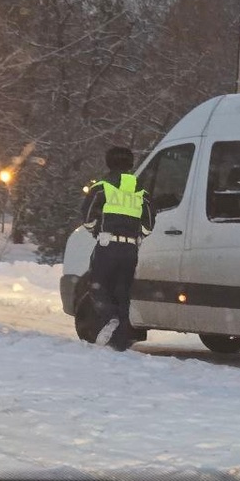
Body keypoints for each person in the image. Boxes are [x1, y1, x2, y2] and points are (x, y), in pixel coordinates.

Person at [81, 145, 154, 350]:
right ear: (131, 164)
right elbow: (149, 224)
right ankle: (120, 341)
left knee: (98, 286)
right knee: (123, 292)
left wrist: (98, 230)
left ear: (108, 162)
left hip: (107, 245)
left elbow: (87, 217)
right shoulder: (141, 190)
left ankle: (109, 316)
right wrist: (137, 236)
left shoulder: (102, 187)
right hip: (130, 250)